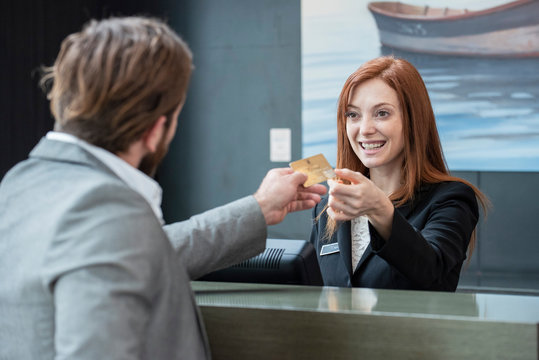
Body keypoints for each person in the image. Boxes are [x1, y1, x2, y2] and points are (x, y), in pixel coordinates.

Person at [0, 17, 327, 359]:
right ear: (157, 130)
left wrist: (259, 208)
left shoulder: (19, 184)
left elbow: (153, 253)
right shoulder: (108, 210)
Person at [310, 56, 488, 291]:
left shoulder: (451, 199)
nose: (365, 129)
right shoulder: (327, 209)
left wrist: (380, 210)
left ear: (414, 120)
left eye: (382, 113)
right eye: (353, 115)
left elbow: (431, 271)